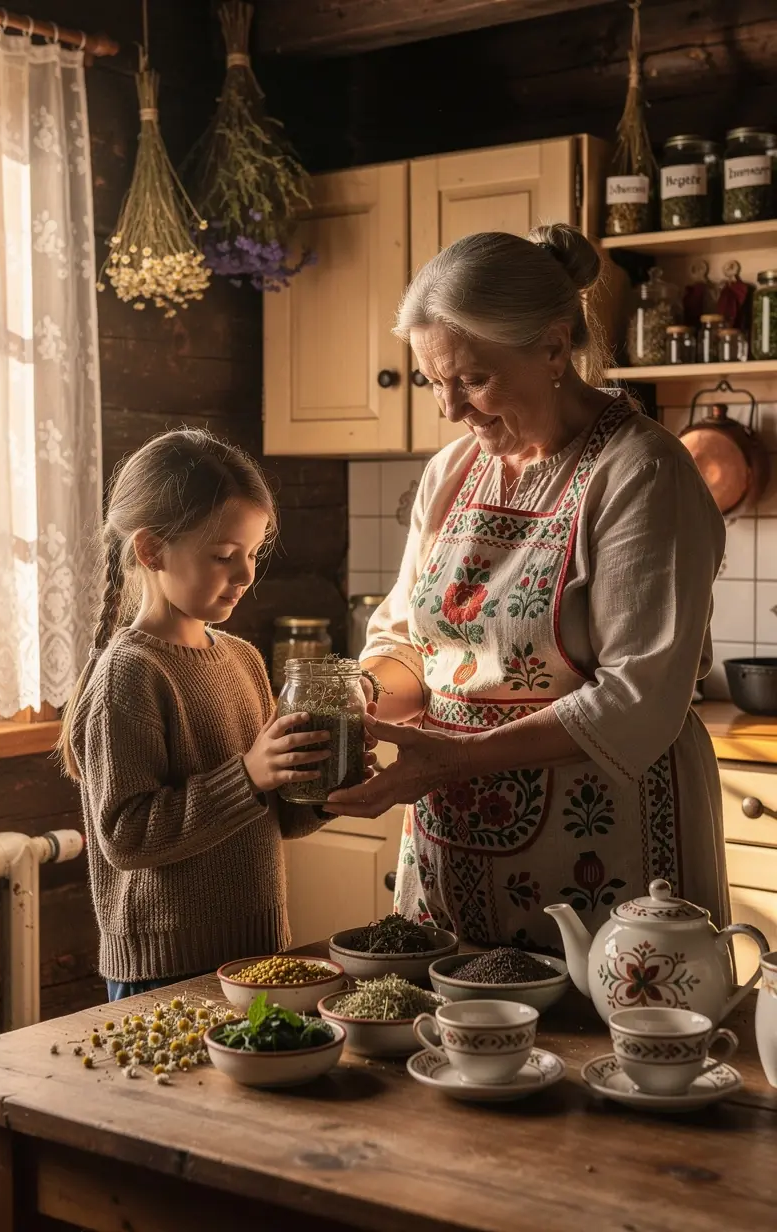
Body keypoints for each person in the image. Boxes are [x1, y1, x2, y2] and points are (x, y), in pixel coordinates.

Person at [329, 225, 729, 952]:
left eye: (472, 379)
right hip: (452, 833)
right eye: (431, 382)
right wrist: (352, 707)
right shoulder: (451, 472)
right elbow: (408, 642)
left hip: (601, 840)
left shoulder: (642, 474)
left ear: (552, 348)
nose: (448, 409)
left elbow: (638, 695)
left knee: (594, 1051)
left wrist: (452, 757)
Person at [58, 428, 374, 1001]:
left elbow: (270, 817)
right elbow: (125, 837)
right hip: (163, 968)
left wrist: (326, 782)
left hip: (257, 951)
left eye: (253, 554)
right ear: (152, 551)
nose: (247, 574)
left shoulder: (243, 660)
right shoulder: (130, 674)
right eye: (225, 556)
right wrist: (249, 774)